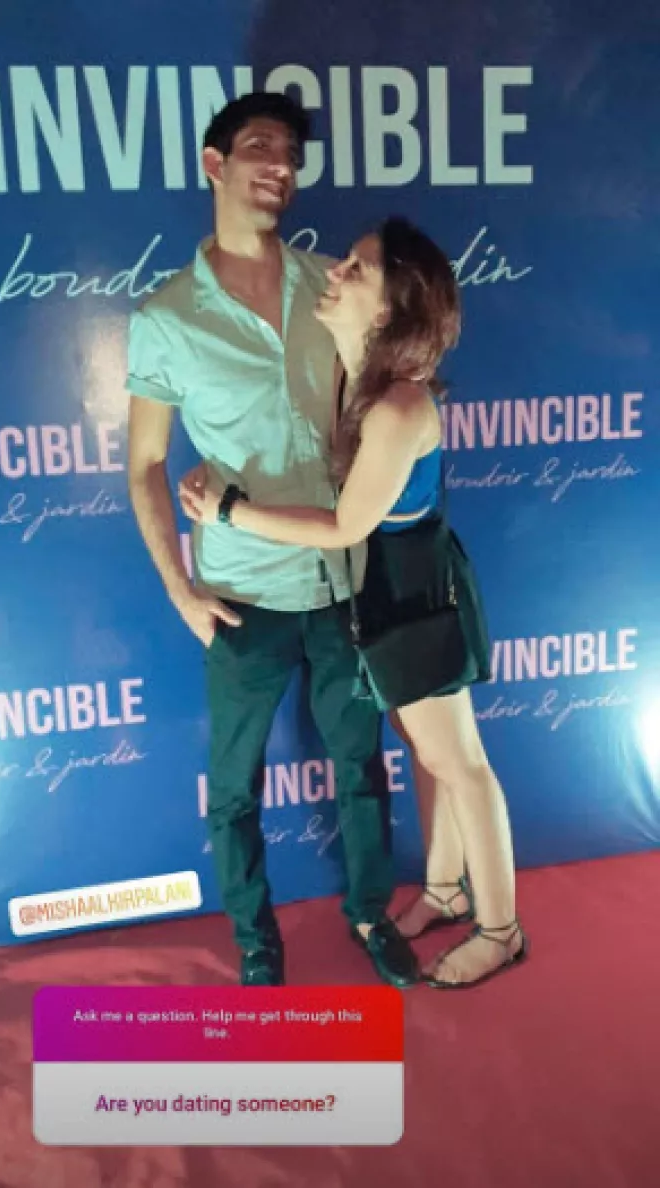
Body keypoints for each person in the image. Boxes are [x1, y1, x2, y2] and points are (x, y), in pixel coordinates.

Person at [178, 216, 529, 988]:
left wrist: (230, 511)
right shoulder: (356, 374)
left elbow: (344, 525)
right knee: (424, 751)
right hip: (381, 595)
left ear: (390, 308)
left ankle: (501, 930)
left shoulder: (399, 407)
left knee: (461, 764)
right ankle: (444, 889)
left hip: (417, 598)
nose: (335, 271)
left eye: (357, 269)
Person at [125, 91, 419, 989]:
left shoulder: (331, 286)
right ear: (214, 165)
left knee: (360, 768)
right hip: (241, 597)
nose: (281, 165)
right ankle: (256, 943)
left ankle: (370, 913)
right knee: (234, 789)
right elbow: (145, 465)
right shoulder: (166, 317)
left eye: (291, 153)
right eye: (260, 146)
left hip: (342, 582)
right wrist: (180, 590)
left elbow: (383, 398)